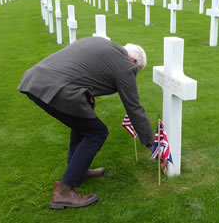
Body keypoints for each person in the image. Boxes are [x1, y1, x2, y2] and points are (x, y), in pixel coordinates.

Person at [18, 37, 154, 209]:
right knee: (97, 132)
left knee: (83, 123)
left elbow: (80, 69)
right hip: (55, 89)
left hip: (35, 78)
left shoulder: (101, 42)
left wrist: (87, 96)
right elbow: (134, 107)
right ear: (133, 61)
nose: (133, 74)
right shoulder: (125, 65)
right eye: (137, 70)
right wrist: (151, 143)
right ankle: (64, 192)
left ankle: (78, 170)